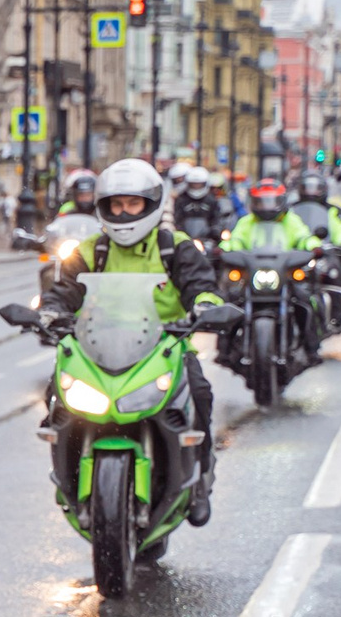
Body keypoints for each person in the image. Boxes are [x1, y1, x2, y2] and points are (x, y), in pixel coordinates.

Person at [41, 157, 226, 525]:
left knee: (200, 394)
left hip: (165, 346)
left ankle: (201, 478)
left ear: (151, 204)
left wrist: (205, 307)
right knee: (55, 397)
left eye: (133, 204)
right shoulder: (93, 249)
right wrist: (49, 310)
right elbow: (64, 290)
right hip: (99, 347)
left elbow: (201, 286)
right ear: (104, 207)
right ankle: (67, 474)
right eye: (116, 205)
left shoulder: (175, 247)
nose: (124, 213)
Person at [222, 176, 326, 361]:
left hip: (284, 274)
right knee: (230, 302)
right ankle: (225, 349)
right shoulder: (247, 222)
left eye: (271, 201)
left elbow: (304, 237)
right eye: (261, 202)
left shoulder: (291, 221)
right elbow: (235, 240)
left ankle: (312, 348)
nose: (266, 206)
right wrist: (223, 249)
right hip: (252, 276)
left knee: (305, 302)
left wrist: (313, 245)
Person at [173, 166, 228, 244]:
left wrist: (216, 230)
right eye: (193, 185)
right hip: (185, 239)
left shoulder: (211, 200)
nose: (196, 187)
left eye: (199, 185)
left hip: (207, 239)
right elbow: (177, 218)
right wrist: (179, 231)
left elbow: (216, 217)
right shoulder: (181, 200)